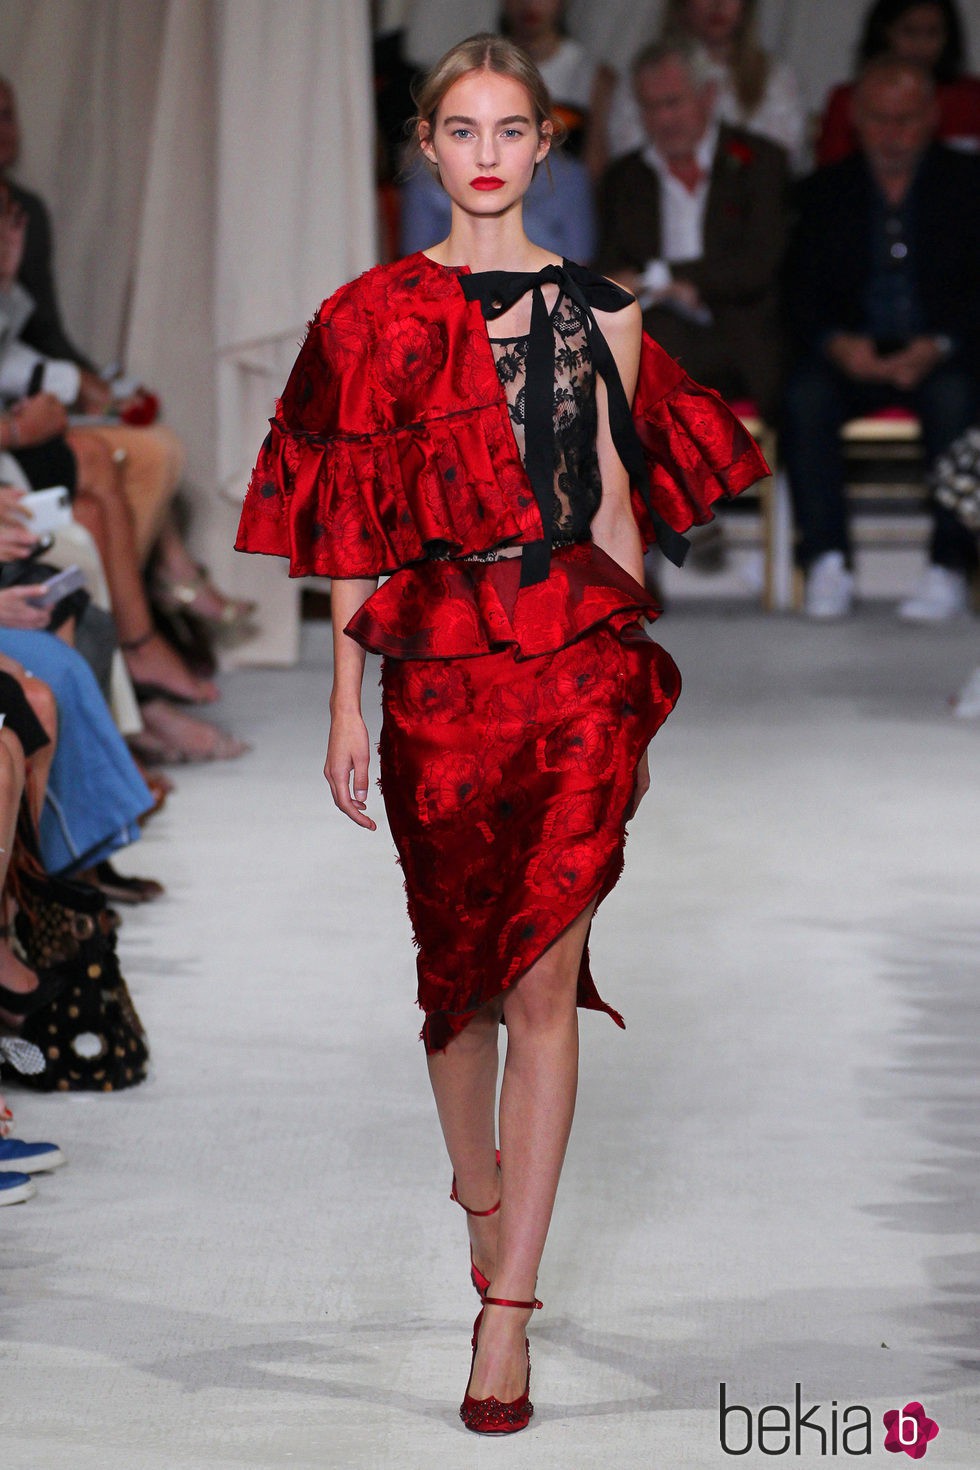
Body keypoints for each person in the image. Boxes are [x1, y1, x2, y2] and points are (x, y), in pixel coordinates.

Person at [236, 33, 766, 1433]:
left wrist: (629, 667)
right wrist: (346, 699)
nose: (485, 152)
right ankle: (477, 1190)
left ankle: (507, 1311)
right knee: (457, 985)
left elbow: (611, 504)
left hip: (573, 663)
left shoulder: (611, 311)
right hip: (438, 673)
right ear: (427, 148)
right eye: (459, 128)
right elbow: (352, 520)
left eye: (510, 128)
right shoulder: (364, 320)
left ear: (545, 145)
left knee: (543, 986)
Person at [781, 57, 980, 620]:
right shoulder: (824, 192)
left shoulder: (968, 186)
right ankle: (826, 562)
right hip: (853, 350)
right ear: (857, 119)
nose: (894, 133)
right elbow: (797, 289)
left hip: (943, 352)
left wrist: (939, 344)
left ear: (933, 117)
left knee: (956, 399)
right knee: (804, 396)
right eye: (880, 119)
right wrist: (837, 344)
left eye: (908, 119)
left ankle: (948, 565)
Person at [596, 39, 788, 419]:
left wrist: (670, 277)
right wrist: (650, 288)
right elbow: (612, 270)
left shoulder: (758, 162)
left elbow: (760, 264)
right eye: (650, 108)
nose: (662, 120)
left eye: (672, 103)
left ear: (709, 96)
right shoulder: (625, 178)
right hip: (656, 331)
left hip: (738, 331)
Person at [816, 0, 980, 165]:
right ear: (885, 33)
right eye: (910, 32)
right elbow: (832, 174)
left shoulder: (972, 97)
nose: (921, 45)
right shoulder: (849, 99)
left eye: (932, 33)